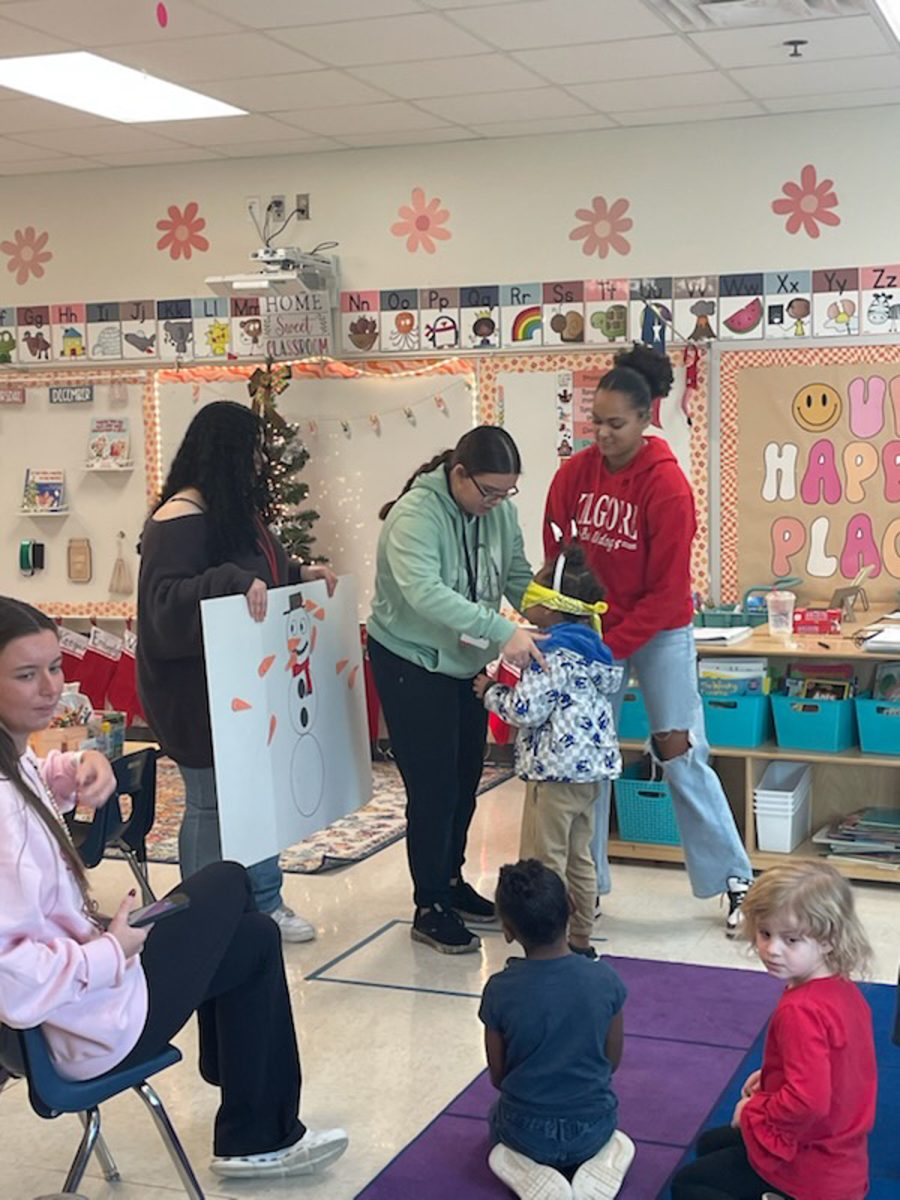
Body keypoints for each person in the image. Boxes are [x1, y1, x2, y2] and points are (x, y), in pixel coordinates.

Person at [0, 597, 348, 1181]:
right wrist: (111, 951)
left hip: (88, 999)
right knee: (230, 881)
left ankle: (257, 1136)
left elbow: (31, 802)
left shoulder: (17, 761)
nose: (50, 687)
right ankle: (249, 1119)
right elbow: (11, 974)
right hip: (83, 1025)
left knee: (252, 936)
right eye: (26, 675)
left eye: (55, 668)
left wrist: (72, 768)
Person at [543, 344, 753, 933]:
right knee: (585, 758)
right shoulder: (574, 474)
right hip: (594, 630)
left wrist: (606, 648)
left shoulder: (667, 487)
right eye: (596, 423)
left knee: (680, 751)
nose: (603, 435)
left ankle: (734, 879)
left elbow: (666, 597)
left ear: (645, 418)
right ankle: (588, 887)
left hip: (658, 632)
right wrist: (572, 629)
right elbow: (558, 556)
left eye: (616, 424)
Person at [137, 401, 337, 942]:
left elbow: (259, 571)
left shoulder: (231, 512)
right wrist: (227, 583)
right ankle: (201, 913)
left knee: (254, 799)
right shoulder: (178, 517)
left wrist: (300, 572)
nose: (257, 463)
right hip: (198, 694)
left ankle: (262, 901)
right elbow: (165, 603)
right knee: (210, 802)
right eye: (251, 452)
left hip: (245, 685)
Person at [367, 426, 546, 954]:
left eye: (506, 493)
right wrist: (502, 631)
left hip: (465, 664)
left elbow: (515, 574)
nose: (496, 503)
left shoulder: (499, 512)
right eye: (488, 492)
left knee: (467, 777)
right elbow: (425, 594)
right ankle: (429, 904)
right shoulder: (415, 517)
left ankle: (452, 880)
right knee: (433, 788)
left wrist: (550, 614)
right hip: (411, 660)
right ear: (458, 474)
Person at [671, 861, 876, 1200]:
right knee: (711, 1144)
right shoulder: (843, 989)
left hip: (812, 1170)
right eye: (765, 933)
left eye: (791, 939)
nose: (771, 949)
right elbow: (837, 1066)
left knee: (689, 1184)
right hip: (843, 1158)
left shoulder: (800, 1010)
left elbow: (808, 1103)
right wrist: (772, 1074)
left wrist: (753, 1112)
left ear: (828, 941)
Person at [474, 544, 622, 957]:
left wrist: (492, 693)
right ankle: (580, 940)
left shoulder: (549, 652)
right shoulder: (592, 648)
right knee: (580, 858)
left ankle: (545, 945)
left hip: (555, 774)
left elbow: (526, 709)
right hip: (590, 776)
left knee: (546, 860)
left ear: (552, 608)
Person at [479, 859, 635, 1200]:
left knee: (495, 1120)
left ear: (507, 929)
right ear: (573, 907)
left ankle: (527, 1165)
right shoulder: (606, 979)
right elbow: (612, 1061)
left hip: (525, 1129)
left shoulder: (499, 989)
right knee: (610, 1129)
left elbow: (498, 1076)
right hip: (593, 1123)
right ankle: (602, 1154)